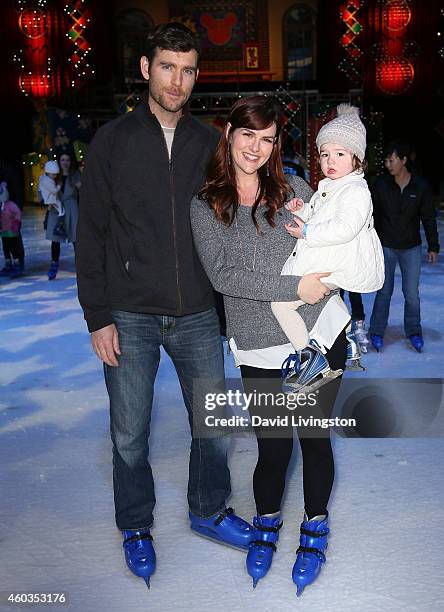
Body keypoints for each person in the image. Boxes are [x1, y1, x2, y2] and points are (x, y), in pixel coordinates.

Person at [76, 23, 254, 589]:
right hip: (129, 310)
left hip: (199, 311)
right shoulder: (113, 141)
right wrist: (98, 316)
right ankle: (135, 526)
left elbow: (243, 206)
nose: (177, 80)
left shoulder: (209, 142)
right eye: (167, 67)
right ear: (147, 70)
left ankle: (209, 509)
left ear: (196, 76)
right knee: (129, 430)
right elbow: (92, 235)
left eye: (188, 69)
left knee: (214, 423)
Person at [190, 95, 351, 595]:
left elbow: (330, 240)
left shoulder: (294, 189)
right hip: (259, 344)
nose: (256, 148)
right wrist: (292, 286)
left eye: (267, 139)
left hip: (318, 337)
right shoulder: (206, 204)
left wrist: (329, 274)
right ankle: (267, 523)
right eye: (248, 135)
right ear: (230, 135)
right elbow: (223, 275)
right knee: (273, 447)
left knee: (314, 440)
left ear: (276, 144)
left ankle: (315, 526)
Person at [271, 104, 384, 392]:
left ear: (357, 159)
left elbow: (344, 228)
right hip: (334, 259)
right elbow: (325, 215)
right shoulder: (333, 186)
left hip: (342, 259)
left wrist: (307, 231)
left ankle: (309, 358)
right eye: (324, 154)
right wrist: (305, 210)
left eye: (340, 154)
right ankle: (346, 345)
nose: (330, 160)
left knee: (281, 304)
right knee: (325, 300)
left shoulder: (356, 191)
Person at [369, 139, 439, 352]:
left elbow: (428, 217)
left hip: (411, 248)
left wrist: (433, 245)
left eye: (391, 160)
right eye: (386, 160)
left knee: (411, 293)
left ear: (403, 160)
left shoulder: (420, 187)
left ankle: (414, 331)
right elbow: (371, 216)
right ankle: (376, 331)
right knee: (384, 292)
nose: (388, 164)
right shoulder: (381, 186)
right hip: (386, 246)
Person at [0, 181, 22, 279]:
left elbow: (18, 213)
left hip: (12, 232)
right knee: (6, 248)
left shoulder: (11, 205)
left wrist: (16, 222)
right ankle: (8, 263)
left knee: (13, 248)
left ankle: (17, 264)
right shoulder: (1, 206)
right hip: (4, 232)